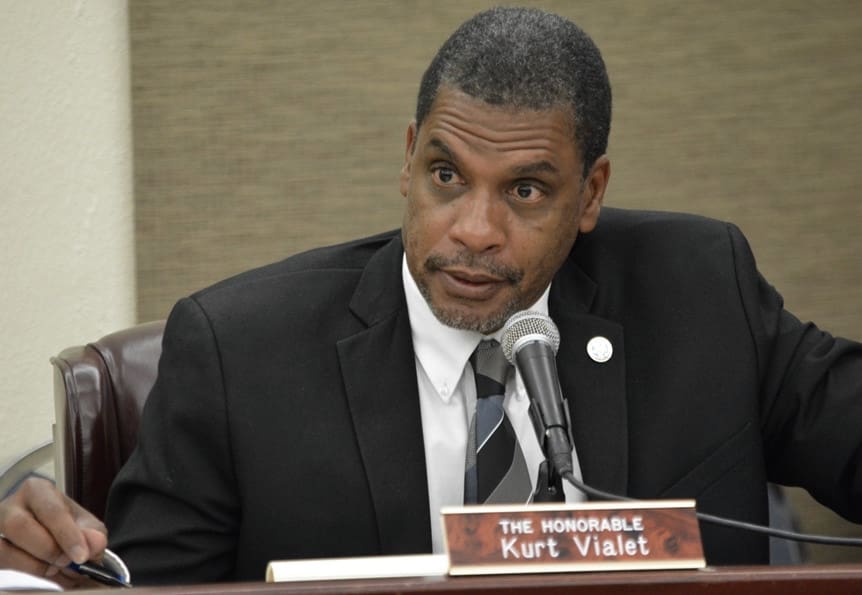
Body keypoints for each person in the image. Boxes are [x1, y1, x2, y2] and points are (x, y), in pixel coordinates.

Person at [2, 6, 862, 588]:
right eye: (447, 175)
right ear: (408, 158)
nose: (475, 230)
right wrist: (47, 563)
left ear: (590, 194)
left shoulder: (699, 290)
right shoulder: (238, 355)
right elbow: (140, 589)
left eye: (526, 191)